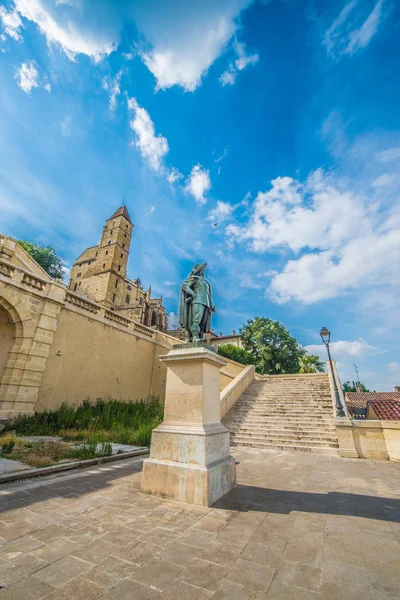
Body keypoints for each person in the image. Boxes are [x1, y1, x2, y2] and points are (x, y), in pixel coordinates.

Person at [178, 263, 214, 342]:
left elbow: (207, 294)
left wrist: (211, 305)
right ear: (199, 271)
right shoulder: (195, 278)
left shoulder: (206, 282)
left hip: (206, 304)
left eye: (204, 270)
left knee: (202, 324)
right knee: (196, 321)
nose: (203, 272)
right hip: (197, 301)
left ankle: (196, 337)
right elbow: (184, 286)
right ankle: (194, 337)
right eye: (202, 270)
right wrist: (193, 294)